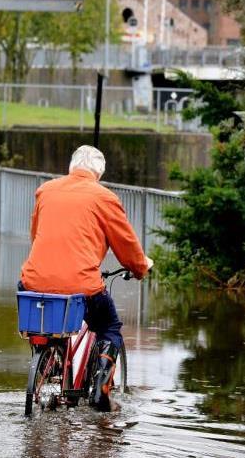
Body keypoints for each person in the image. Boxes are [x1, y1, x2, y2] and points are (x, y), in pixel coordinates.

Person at [19, 145, 153, 411]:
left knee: (44, 319)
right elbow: (125, 243)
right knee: (108, 326)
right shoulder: (104, 197)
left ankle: (47, 359)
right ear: (99, 174)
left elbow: (36, 236)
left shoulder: (46, 191)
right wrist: (140, 268)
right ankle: (100, 392)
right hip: (80, 285)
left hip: (33, 282)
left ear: (71, 167)